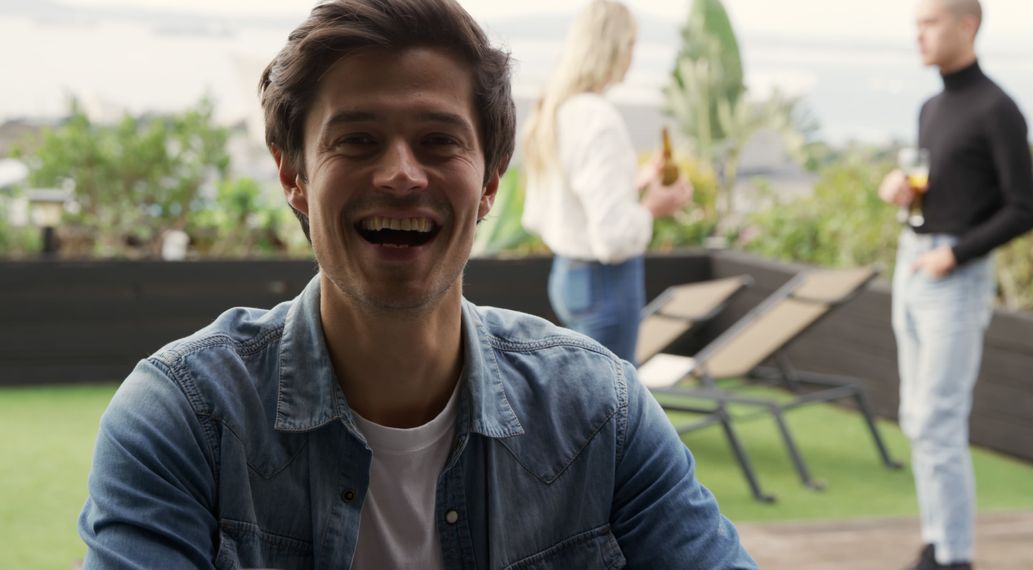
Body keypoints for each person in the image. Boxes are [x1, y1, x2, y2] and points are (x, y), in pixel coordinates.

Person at [77, 0, 757, 568]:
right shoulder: (186, 421)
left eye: (438, 142)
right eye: (357, 140)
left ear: (490, 183)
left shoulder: (598, 413)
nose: (401, 174)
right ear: (293, 177)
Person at [878, 1, 1033, 568]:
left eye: (929, 23)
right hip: (913, 266)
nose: (917, 34)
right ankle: (935, 540)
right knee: (915, 418)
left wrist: (956, 253)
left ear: (965, 26)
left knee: (939, 421)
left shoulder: (998, 108)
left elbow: (1024, 209)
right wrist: (905, 193)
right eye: (916, 24)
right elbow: (941, 191)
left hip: (956, 276)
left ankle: (955, 557)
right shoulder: (931, 107)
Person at [521, 0, 692, 363]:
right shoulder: (599, 119)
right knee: (610, 413)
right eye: (631, 44)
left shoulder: (556, 109)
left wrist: (633, 183)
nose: (633, 55)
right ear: (614, 47)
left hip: (568, 277)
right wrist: (652, 208)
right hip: (606, 285)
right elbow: (613, 239)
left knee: (583, 405)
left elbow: (556, 206)